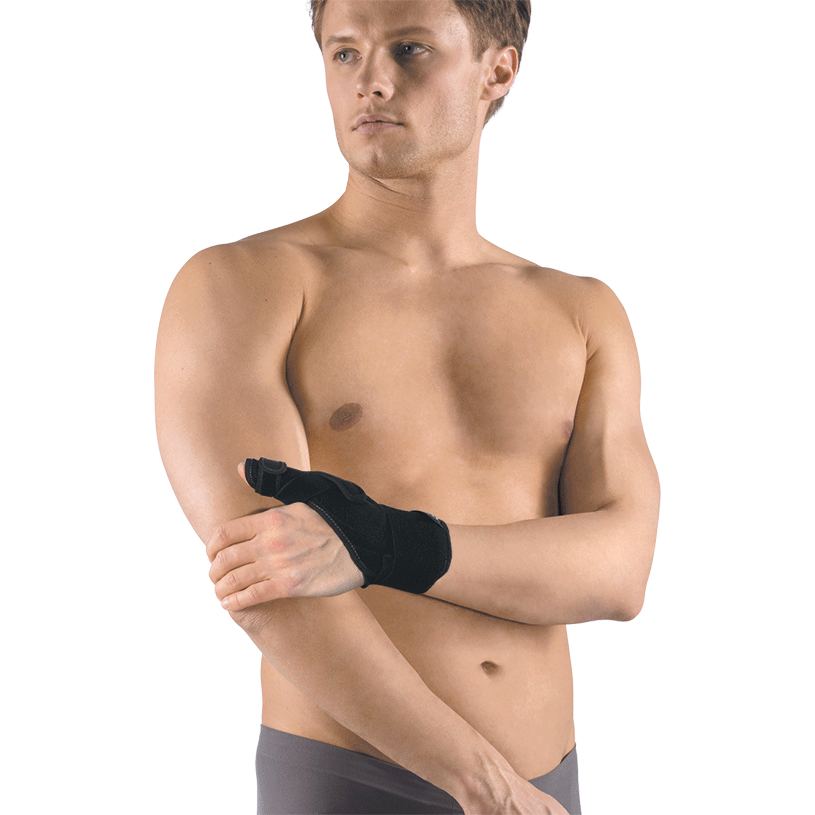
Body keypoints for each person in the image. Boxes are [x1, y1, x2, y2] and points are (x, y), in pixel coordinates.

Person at [155, 1, 659, 812]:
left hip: (544, 782)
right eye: (344, 53)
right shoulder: (243, 287)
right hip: (355, 778)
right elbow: (267, 581)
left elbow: (620, 569)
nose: (372, 82)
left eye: (410, 50)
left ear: (498, 69)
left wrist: (385, 545)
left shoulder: (578, 311)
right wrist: (485, 783)